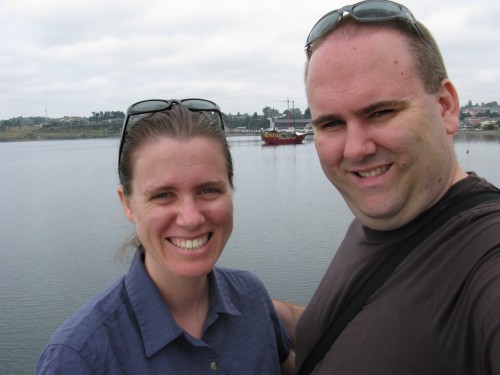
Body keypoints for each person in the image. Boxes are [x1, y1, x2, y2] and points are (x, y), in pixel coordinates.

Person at [274, 1, 500, 374]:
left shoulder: (485, 256)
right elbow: (358, 338)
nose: (356, 149)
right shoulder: (377, 220)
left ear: (445, 107)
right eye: (331, 124)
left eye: (381, 113)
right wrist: (255, 307)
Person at [36, 99, 294, 374]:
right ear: (127, 204)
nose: (191, 218)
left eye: (208, 190)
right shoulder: (78, 359)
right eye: (163, 195)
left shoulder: (252, 298)